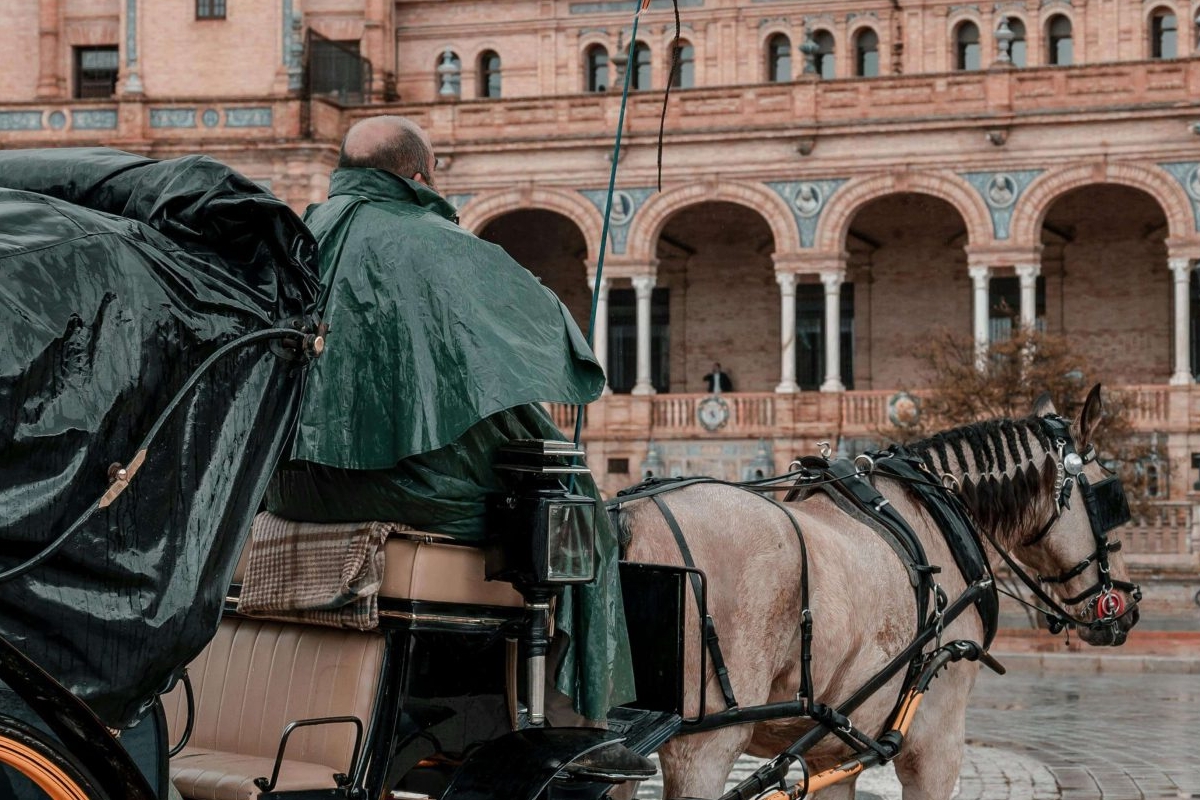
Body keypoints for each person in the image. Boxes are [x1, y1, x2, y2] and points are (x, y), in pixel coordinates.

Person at [266, 116, 650, 778]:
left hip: (291, 488)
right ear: (419, 176)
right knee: (574, 507)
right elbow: (537, 334)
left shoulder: (292, 240)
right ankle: (580, 715)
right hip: (409, 486)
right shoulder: (436, 244)